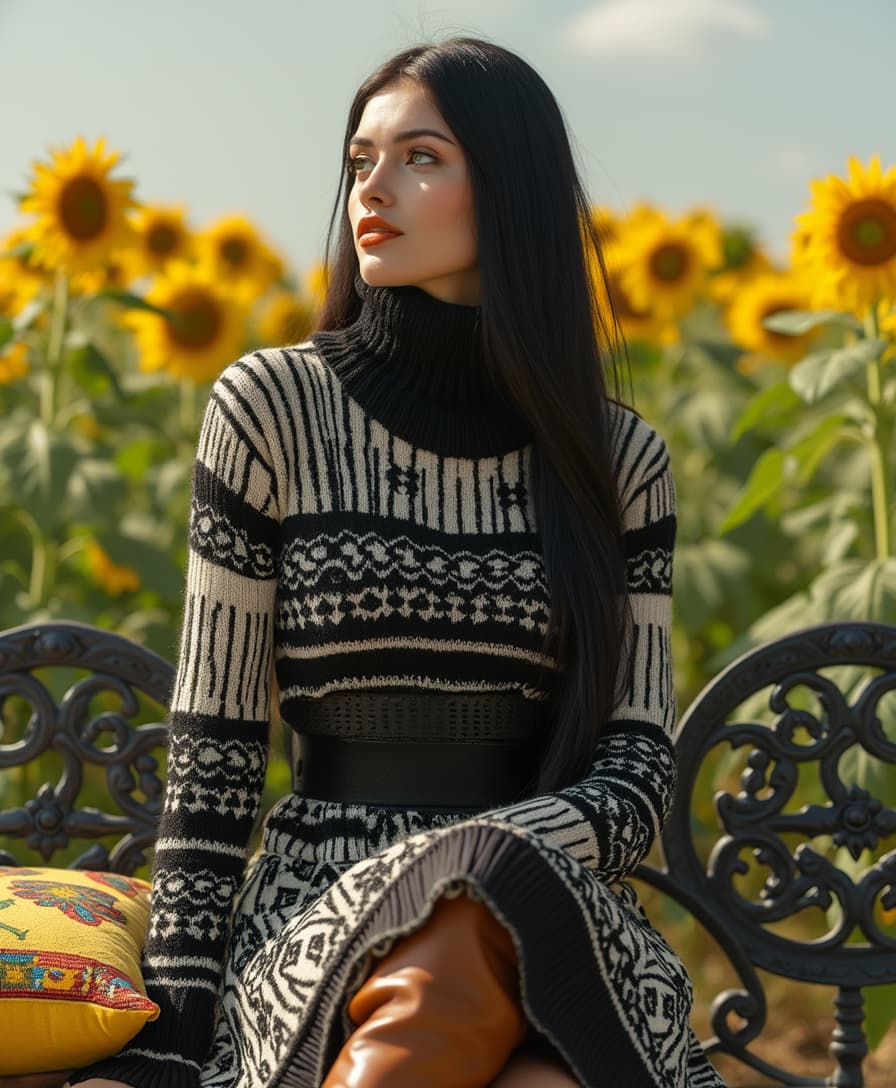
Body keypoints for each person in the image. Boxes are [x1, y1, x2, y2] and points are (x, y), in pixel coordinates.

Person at [71, 36, 726, 1088]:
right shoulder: (269, 409)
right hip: (322, 905)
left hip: (551, 903)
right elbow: (217, 749)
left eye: (420, 157)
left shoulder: (618, 462)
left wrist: (468, 855)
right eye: (360, 159)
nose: (373, 187)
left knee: (502, 965)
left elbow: (636, 768)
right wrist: (172, 1025)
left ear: (508, 191)